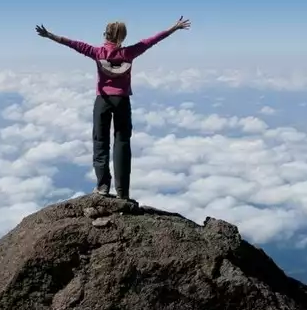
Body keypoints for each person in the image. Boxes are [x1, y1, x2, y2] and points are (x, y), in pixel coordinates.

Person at [35, 16, 192, 201]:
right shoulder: (130, 53)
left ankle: (102, 186)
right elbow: (152, 40)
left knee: (100, 143)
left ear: (105, 34)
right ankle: (122, 192)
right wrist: (173, 28)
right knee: (122, 143)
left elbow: (72, 44)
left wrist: (49, 35)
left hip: (102, 101)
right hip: (122, 101)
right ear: (122, 37)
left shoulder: (96, 52)